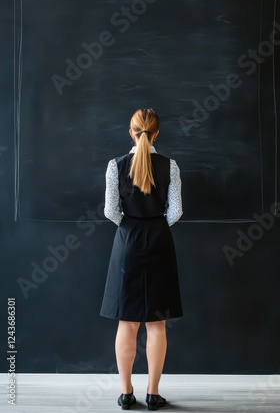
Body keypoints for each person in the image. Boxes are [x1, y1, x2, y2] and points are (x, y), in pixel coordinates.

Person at [100, 108, 183, 411]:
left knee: (127, 321)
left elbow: (110, 211)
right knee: (157, 324)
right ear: (156, 133)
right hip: (159, 240)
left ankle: (125, 394)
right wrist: (155, 226)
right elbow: (175, 212)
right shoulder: (170, 166)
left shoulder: (115, 166)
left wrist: (132, 226)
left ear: (131, 131)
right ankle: (153, 394)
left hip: (127, 242)